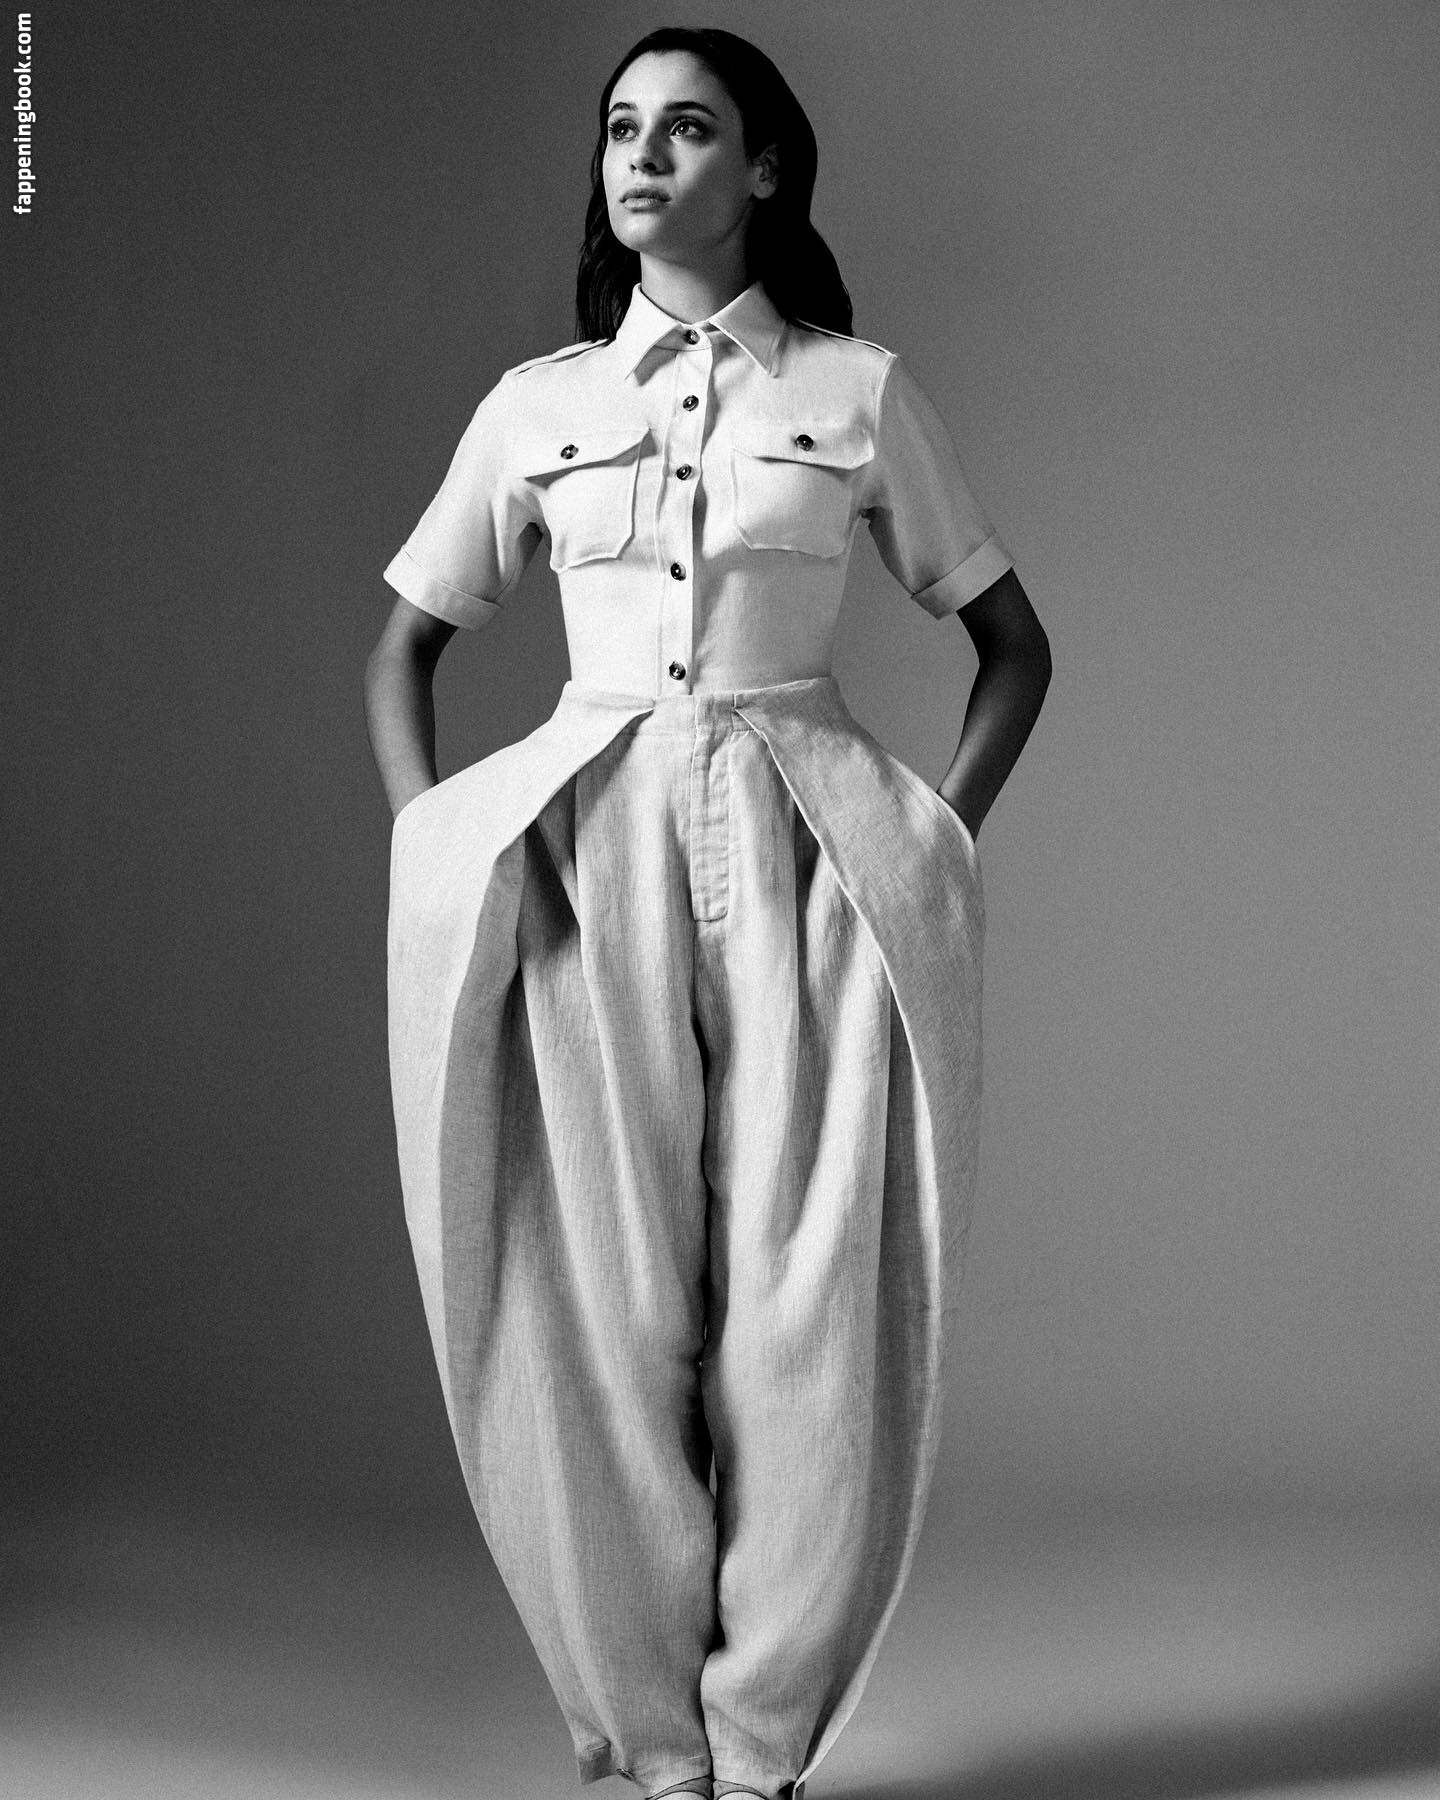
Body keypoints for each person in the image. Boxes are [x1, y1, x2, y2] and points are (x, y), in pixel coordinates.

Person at [363, 26, 1051, 1800]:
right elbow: (406, 649)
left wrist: (931, 843)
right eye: (621, 129)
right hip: (581, 861)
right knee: (592, 1302)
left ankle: (762, 1750)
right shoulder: (537, 407)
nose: (642, 157)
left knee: (812, 1316)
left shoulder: (856, 389)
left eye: (687, 129)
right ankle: (660, 1750)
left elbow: (1011, 646)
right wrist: (440, 850)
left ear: (765, 170)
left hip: (814, 857)